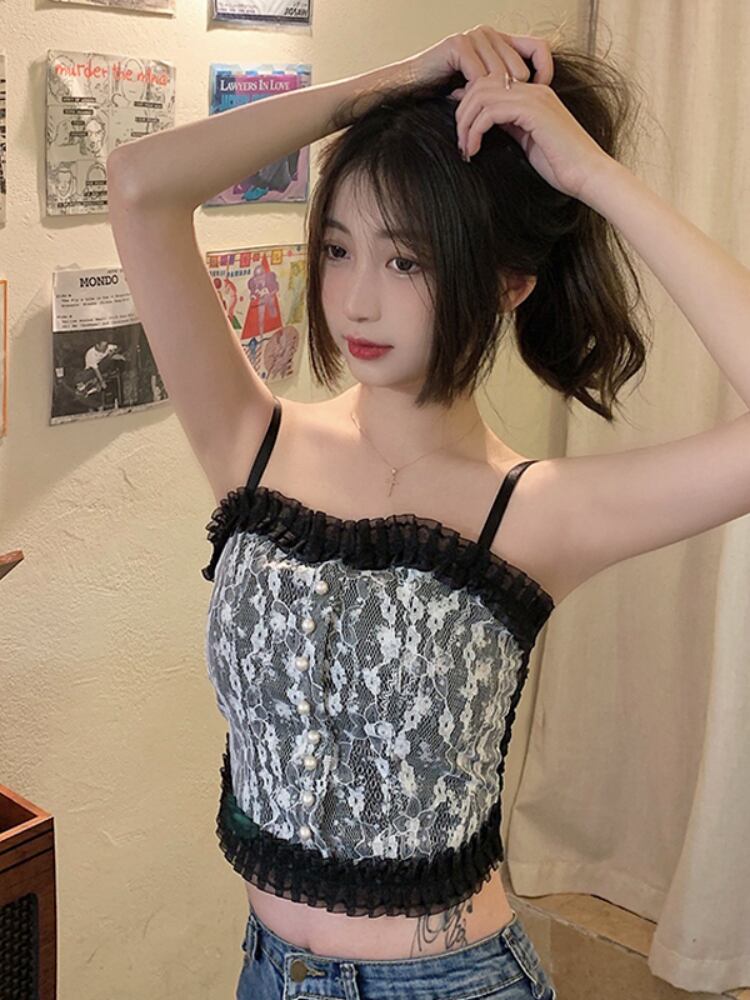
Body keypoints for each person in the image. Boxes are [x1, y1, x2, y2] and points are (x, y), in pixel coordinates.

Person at [106, 20, 750, 1000]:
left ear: (507, 283)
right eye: (338, 248)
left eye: (406, 262)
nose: (357, 301)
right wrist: (400, 83)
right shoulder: (254, 443)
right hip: (269, 974)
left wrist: (591, 176)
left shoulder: (534, 512)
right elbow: (140, 185)